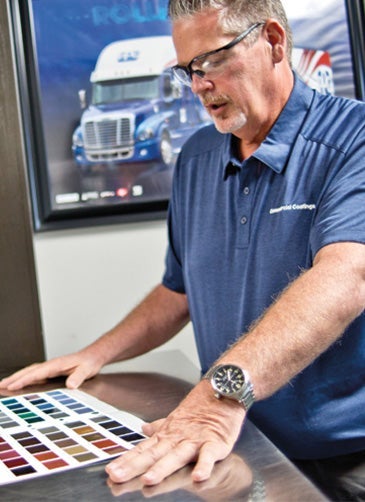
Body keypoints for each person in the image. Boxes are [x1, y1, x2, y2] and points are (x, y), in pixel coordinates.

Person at [1, 0, 365, 499]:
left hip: (342, 459)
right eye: (187, 69)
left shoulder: (354, 140)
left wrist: (219, 396)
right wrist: (95, 353)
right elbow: (180, 290)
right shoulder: (196, 157)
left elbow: (348, 278)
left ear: (274, 42)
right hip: (231, 449)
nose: (197, 86)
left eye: (212, 61)